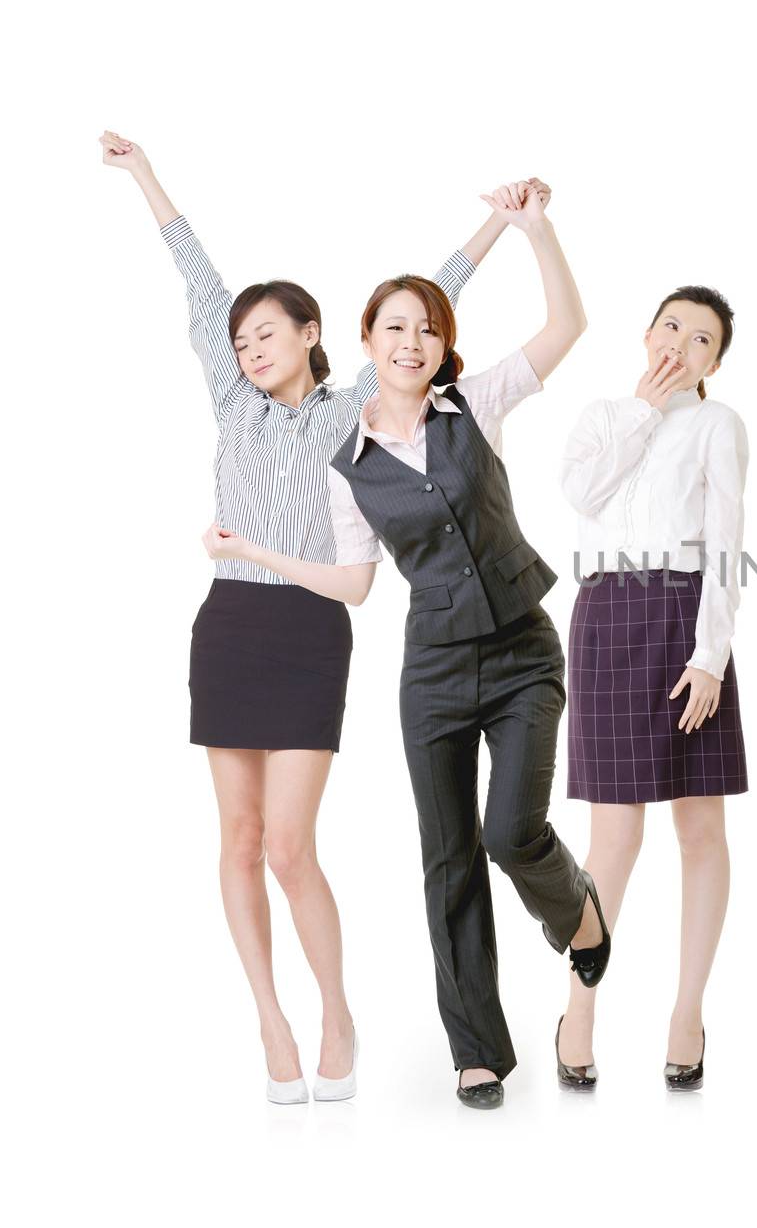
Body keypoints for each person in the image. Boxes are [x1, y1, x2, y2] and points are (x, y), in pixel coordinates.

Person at [102, 129, 513, 1104]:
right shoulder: (232, 405)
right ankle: (271, 1019)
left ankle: (334, 1008)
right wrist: (142, 174)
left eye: (266, 334)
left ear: (313, 332)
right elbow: (200, 284)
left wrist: (498, 223)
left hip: (310, 632)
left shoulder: (353, 404)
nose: (247, 347)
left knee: (289, 844)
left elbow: (433, 296)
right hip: (229, 627)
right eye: (239, 341)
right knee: (236, 841)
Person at [205, 179, 611, 1110]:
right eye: (393, 327)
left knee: (512, 831)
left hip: (521, 651)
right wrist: (252, 550)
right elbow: (353, 584)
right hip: (431, 669)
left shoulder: (478, 403)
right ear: (365, 344)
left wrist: (533, 233)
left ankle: (577, 908)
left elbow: (568, 324)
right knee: (447, 852)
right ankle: (476, 1048)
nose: (411, 340)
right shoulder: (346, 462)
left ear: (441, 341)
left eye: (425, 326)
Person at [554, 286, 750, 1094]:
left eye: (701, 338)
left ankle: (687, 1012)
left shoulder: (718, 424)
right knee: (613, 839)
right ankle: (579, 1010)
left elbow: (730, 540)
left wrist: (711, 655)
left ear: (714, 361)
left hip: (684, 613)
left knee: (700, 828)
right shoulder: (603, 415)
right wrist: (640, 411)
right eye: (672, 325)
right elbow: (582, 496)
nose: (681, 342)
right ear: (646, 333)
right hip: (604, 612)